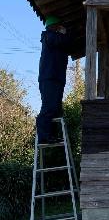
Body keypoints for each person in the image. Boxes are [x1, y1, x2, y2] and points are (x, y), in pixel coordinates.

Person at [36, 15, 71, 144]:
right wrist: (64, 33)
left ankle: (51, 135)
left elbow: (66, 44)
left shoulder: (54, 38)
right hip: (49, 78)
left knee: (55, 108)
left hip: (56, 77)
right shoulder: (49, 36)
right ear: (54, 26)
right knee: (48, 107)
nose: (62, 28)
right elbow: (62, 41)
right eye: (60, 26)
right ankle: (44, 136)